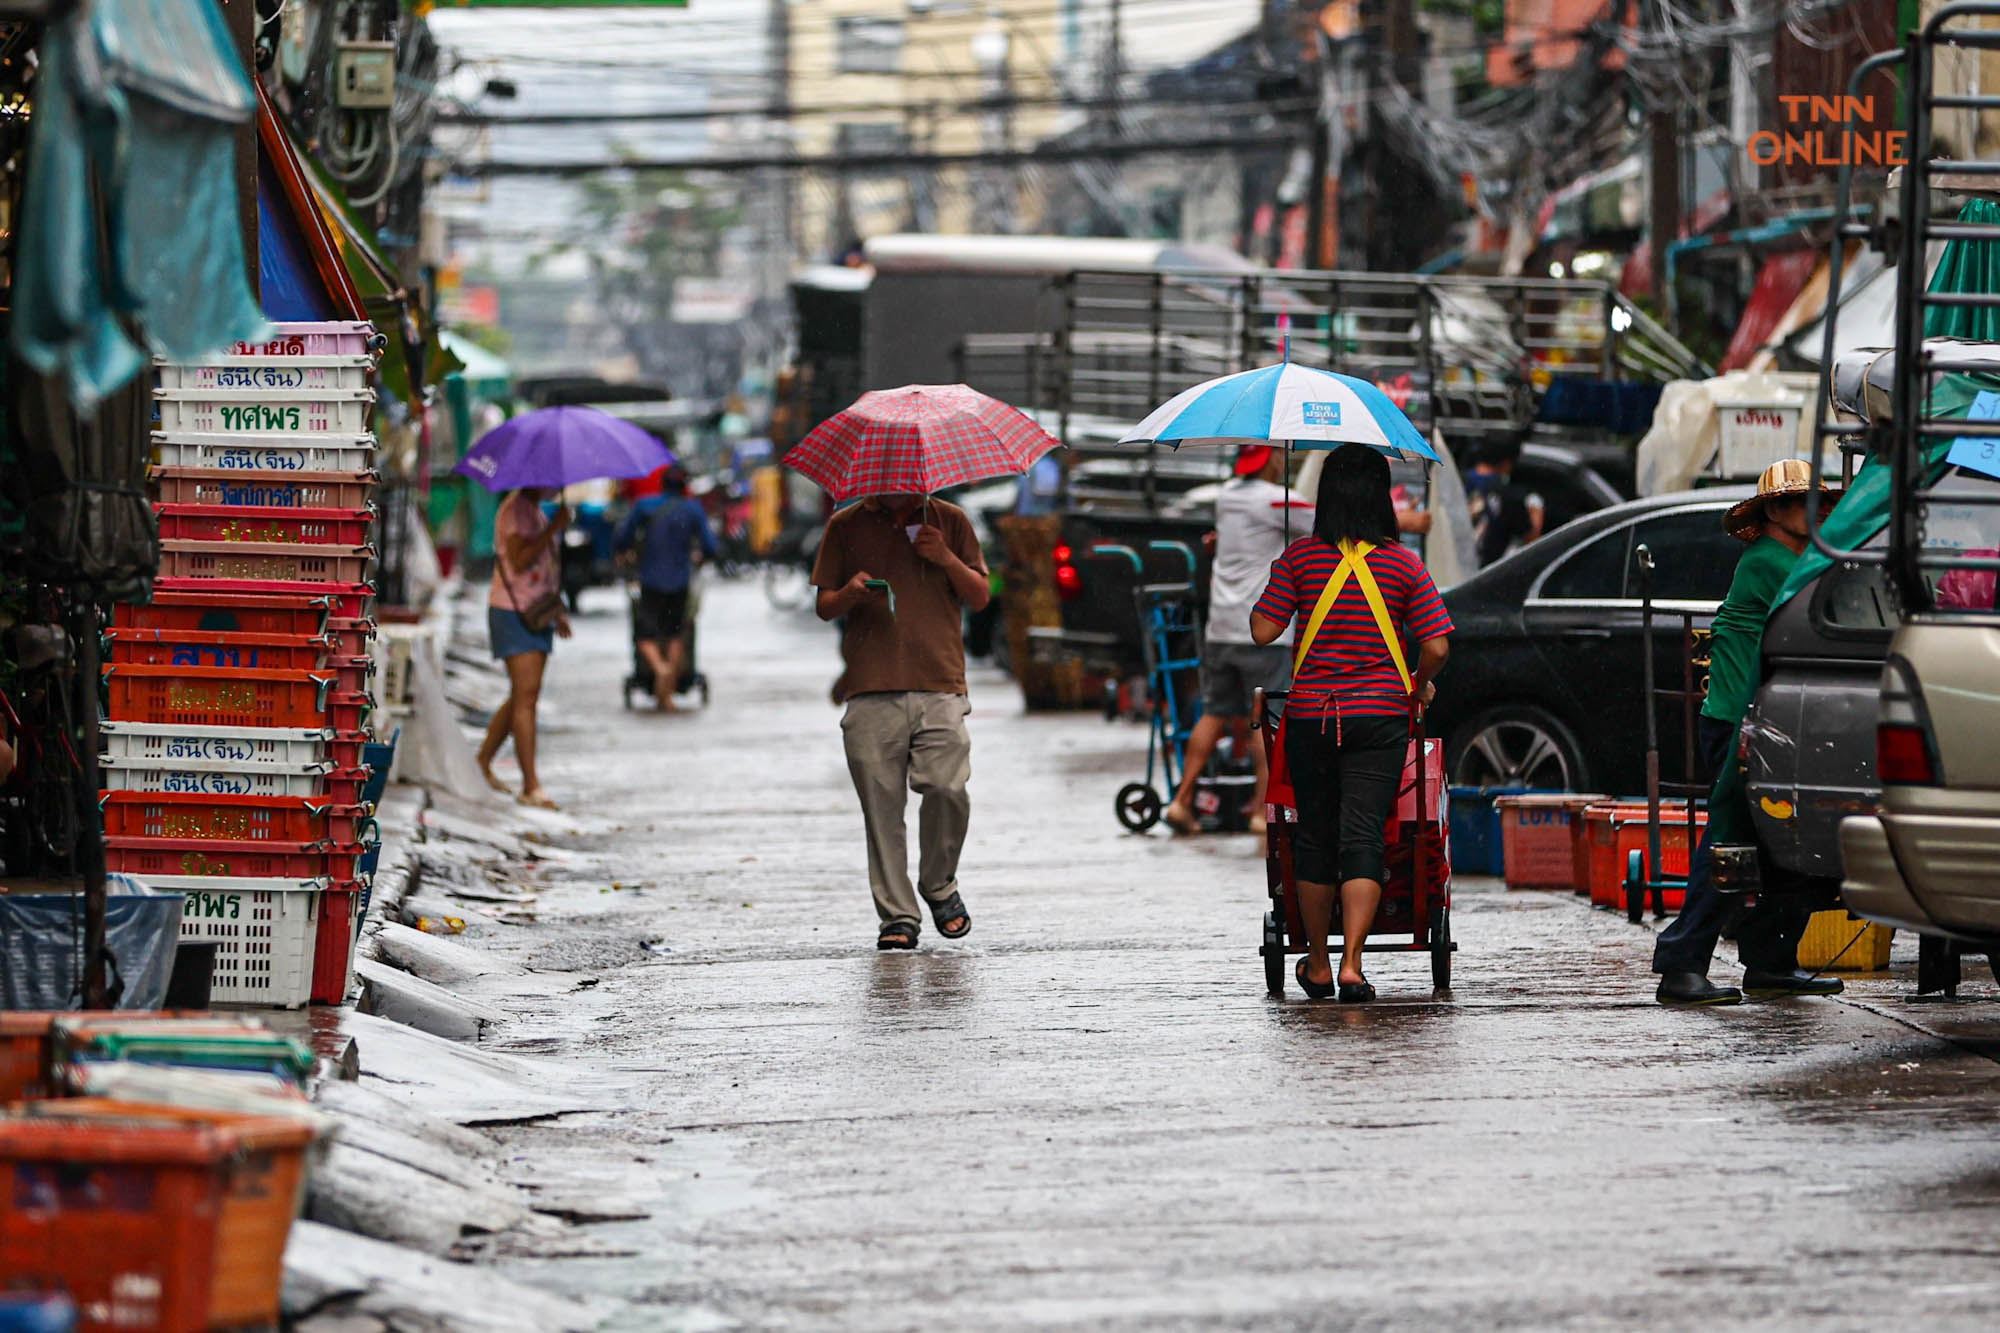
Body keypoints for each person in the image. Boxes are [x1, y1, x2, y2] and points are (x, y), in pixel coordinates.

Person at [1250, 443, 1453, 1002]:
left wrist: (1280, 577)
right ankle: (1353, 967)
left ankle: (1316, 962)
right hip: (1382, 716)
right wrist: (1415, 681)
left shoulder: (1300, 559)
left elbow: (1262, 632)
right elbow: (1436, 645)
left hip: (1313, 713)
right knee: (1364, 833)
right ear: (1380, 497)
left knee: (1314, 835)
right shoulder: (1404, 562)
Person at [1653, 459, 1842, 1006]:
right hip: (1744, 724)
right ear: (1777, 512)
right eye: (1810, 502)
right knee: (1731, 843)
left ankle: (1771, 962)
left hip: (1768, 721)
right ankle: (1681, 965)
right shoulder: (1770, 562)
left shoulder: (1794, 558)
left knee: (1788, 845)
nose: (1823, 511)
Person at [813, 493, 990, 950]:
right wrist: (850, 592)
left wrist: (945, 557)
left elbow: (980, 596)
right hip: (871, 686)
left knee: (948, 787)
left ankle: (939, 885)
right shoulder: (846, 525)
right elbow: (825, 604)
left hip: (940, 681)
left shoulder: (950, 520)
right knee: (882, 808)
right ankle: (897, 915)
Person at [1165, 444, 1311, 837]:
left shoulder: (1226, 495)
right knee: (1263, 722)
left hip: (1220, 628)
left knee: (1214, 713)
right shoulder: (1277, 501)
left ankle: (1180, 800)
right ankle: (1262, 812)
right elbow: (1327, 526)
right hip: (1262, 628)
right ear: (1273, 460)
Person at [479, 487, 572, 809]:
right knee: (526, 697)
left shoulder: (535, 510)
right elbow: (519, 561)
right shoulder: (515, 510)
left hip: (535, 613)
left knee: (523, 694)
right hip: (513, 612)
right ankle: (530, 785)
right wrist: (553, 529)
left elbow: (543, 569)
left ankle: (482, 762)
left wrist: (556, 611)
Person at [613, 465, 719, 711]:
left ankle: (659, 669)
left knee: (645, 633)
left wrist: (627, 554)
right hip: (680, 581)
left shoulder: (644, 506)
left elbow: (622, 538)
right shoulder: (692, 509)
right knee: (675, 633)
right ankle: (668, 689)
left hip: (650, 580)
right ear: (684, 486)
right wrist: (697, 557)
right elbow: (710, 546)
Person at [1463, 432, 1545, 567]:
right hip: (1481, 578)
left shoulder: (1455, 483)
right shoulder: (1510, 496)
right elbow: (1530, 543)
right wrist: (1536, 513)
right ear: (1508, 463)